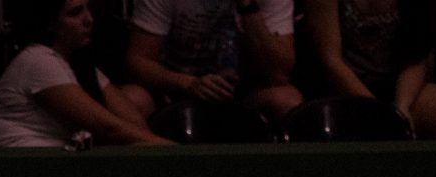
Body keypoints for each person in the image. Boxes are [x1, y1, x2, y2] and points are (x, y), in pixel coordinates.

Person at [0, 0, 171, 147]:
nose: (89, 19)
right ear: (51, 23)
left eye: (88, 9)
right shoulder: (37, 60)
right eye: (75, 13)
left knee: (138, 99)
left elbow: (132, 120)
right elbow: (109, 128)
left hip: (53, 163)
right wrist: (176, 154)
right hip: (18, 167)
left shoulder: (77, 63)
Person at [305, 0, 436, 138]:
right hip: (341, 91)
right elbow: (331, 61)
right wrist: (379, 112)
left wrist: (401, 107)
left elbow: (416, 58)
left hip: (398, 87)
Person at [124, 0, 304, 122]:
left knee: (286, 99)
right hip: (175, 87)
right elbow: (138, 61)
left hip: (244, 92)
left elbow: (279, 75)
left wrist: (247, 6)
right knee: (132, 99)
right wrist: (189, 84)